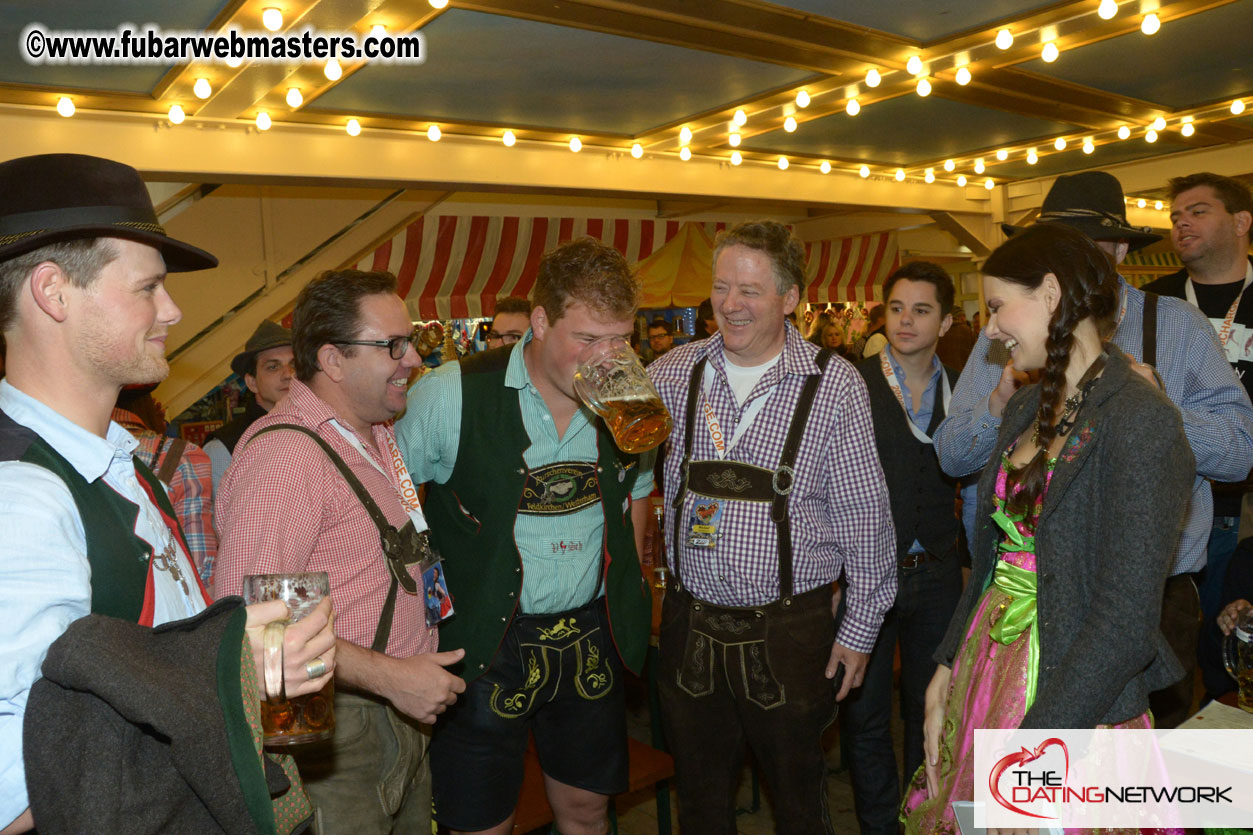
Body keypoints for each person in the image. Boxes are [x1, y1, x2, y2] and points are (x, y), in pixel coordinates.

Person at [0, 153, 334, 834]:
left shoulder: (118, 461)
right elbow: (13, 786)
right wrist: (237, 683)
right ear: (53, 292)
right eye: (148, 287)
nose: (173, 309)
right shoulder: (23, 499)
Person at [933, 170, 1253, 729]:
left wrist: (1164, 411)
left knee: (1137, 769)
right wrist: (996, 408)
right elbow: (952, 457)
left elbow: (1239, 453)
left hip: (1151, 598)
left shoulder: (1174, 325)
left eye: (1083, 239)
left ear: (1121, 248)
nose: (1065, 253)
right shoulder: (1014, 351)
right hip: (1015, 611)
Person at [903, 223, 1195, 832]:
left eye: (997, 306)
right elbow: (989, 562)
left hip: (1070, 694)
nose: (988, 328)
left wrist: (1033, 755)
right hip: (990, 664)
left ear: (1052, 294)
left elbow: (1125, 622)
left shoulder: (1141, 421)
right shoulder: (1023, 406)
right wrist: (946, 666)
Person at [396, 237, 654, 835]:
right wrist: (420, 622)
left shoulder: (631, 399)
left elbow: (636, 495)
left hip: (589, 633)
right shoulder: (449, 394)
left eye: (621, 339)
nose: (607, 358)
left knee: (588, 811)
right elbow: (392, 513)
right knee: (482, 823)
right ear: (539, 321)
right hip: (483, 641)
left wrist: (630, 587)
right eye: (587, 339)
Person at [647, 220, 896, 834]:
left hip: (790, 631)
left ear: (790, 299)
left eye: (751, 291)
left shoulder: (833, 385)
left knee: (798, 802)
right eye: (722, 286)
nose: (730, 304)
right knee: (701, 804)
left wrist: (860, 631)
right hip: (690, 626)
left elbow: (867, 519)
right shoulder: (674, 372)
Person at [215, 270, 464, 834]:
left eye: (412, 341)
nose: (414, 361)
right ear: (332, 360)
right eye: (392, 346)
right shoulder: (288, 458)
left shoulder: (372, 430)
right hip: (334, 731)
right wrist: (389, 678)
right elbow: (261, 633)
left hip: (396, 714)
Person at [844, 261, 962, 835]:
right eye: (896, 308)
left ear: (945, 320)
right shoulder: (850, 381)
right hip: (866, 572)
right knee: (863, 716)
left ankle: (923, 820)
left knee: (930, 710)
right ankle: (877, 827)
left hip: (937, 573)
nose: (906, 320)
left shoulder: (966, 388)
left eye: (921, 310)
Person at [1142, 173, 1253, 699]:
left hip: (1248, 509)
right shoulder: (1150, 306)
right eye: (1175, 215)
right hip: (1175, 507)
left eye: (1198, 210)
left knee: (1234, 652)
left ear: (1241, 222)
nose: (1181, 222)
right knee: (1171, 656)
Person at [113, 386, 218, 582]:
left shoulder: (58, 449)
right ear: (149, 404)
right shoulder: (181, 457)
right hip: (162, 596)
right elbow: (199, 565)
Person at [203, 319, 294, 492]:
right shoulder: (224, 448)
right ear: (252, 382)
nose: (288, 374)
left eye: (294, 365)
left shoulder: (325, 429)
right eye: (273, 367)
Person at [935, 305, 975, 371]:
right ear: (961, 316)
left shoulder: (939, 330)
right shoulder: (966, 331)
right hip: (963, 374)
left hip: (943, 372)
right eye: (964, 316)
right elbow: (974, 356)